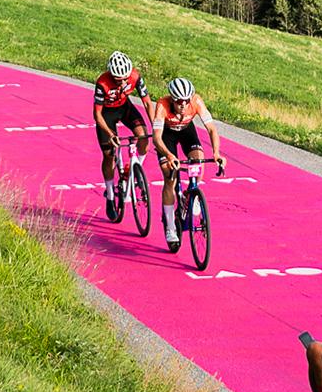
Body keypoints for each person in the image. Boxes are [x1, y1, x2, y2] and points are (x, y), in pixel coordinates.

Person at [152, 74, 225, 251]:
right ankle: (170, 227)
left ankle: (191, 194)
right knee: (170, 178)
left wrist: (216, 153)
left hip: (186, 131)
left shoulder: (196, 102)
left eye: (186, 101)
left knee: (198, 161)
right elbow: (156, 138)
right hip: (167, 136)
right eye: (179, 102)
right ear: (172, 99)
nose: (183, 105)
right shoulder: (162, 105)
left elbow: (212, 129)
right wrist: (169, 155)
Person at [92, 50, 155, 212]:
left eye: (125, 79)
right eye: (118, 80)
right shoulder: (103, 83)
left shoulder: (135, 76)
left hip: (125, 108)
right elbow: (97, 115)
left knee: (143, 138)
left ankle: (135, 171)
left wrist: (156, 126)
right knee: (109, 155)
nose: (122, 83)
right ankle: (111, 194)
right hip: (107, 114)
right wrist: (112, 135)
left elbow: (148, 103)